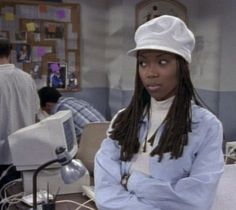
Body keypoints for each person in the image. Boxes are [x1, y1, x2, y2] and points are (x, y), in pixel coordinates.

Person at [94, 15, 224, 210]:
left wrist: (131, 182)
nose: (150, 72)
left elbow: (196, 200)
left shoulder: (206, 126)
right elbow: (104, 193)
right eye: (143, 63)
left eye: (162, 62)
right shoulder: (123, 120)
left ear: (182, 67)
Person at [0, 39, 39, 190]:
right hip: (24, 151)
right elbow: (35, 114)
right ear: (10, 53)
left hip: (2, 154)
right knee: (18, 196)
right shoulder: (27, 78)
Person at [38, 86, 106, 143]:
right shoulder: (73, 100)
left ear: (48, 105)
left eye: (44, 110)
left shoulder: (60, 113)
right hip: (107, 136)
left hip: (92, 145)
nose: (46, 113)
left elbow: (66, 140)